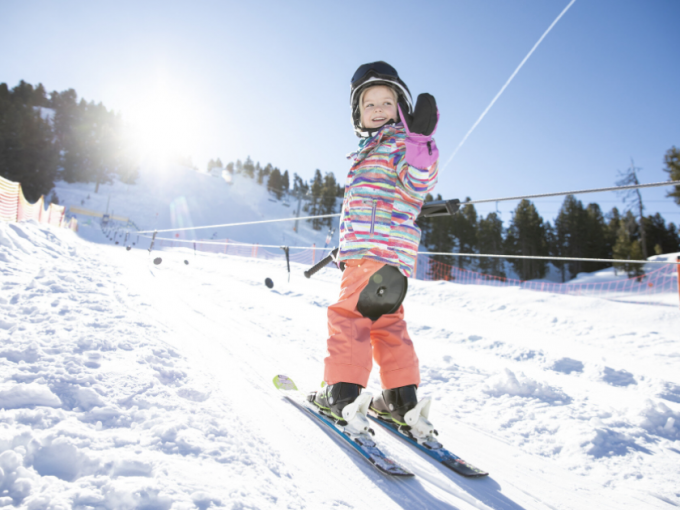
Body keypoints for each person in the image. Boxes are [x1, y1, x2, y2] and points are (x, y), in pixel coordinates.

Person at [311, 62, 440, 429]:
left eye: (388, 101)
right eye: (370, 104)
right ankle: (401, 399)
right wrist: (346, 246)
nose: (379, 109)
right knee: (387, 325)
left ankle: (342, 394)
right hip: (391, 262)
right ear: (358, 114)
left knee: (349, 318)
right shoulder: (371, 151)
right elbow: (373, 206)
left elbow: (418, 180)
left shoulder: (402, 144)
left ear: (402, 109)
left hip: (370, 258)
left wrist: (420, 143)